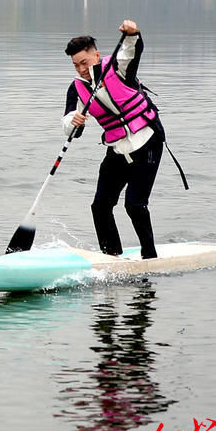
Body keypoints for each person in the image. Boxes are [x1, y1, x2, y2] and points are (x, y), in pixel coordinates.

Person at [63, 19, 164, 259]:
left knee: (134, 204)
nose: (80, 69)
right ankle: (111, 257)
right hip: (118, 149)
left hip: (147, 141)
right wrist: (72, 122)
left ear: (96, 55)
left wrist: (132, 34)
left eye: (84, 63)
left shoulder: (117, 70)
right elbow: (68, 123)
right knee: (100, 206)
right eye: (76, 65)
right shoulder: (76, 88)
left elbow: (130, 52)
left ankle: (150, 258)